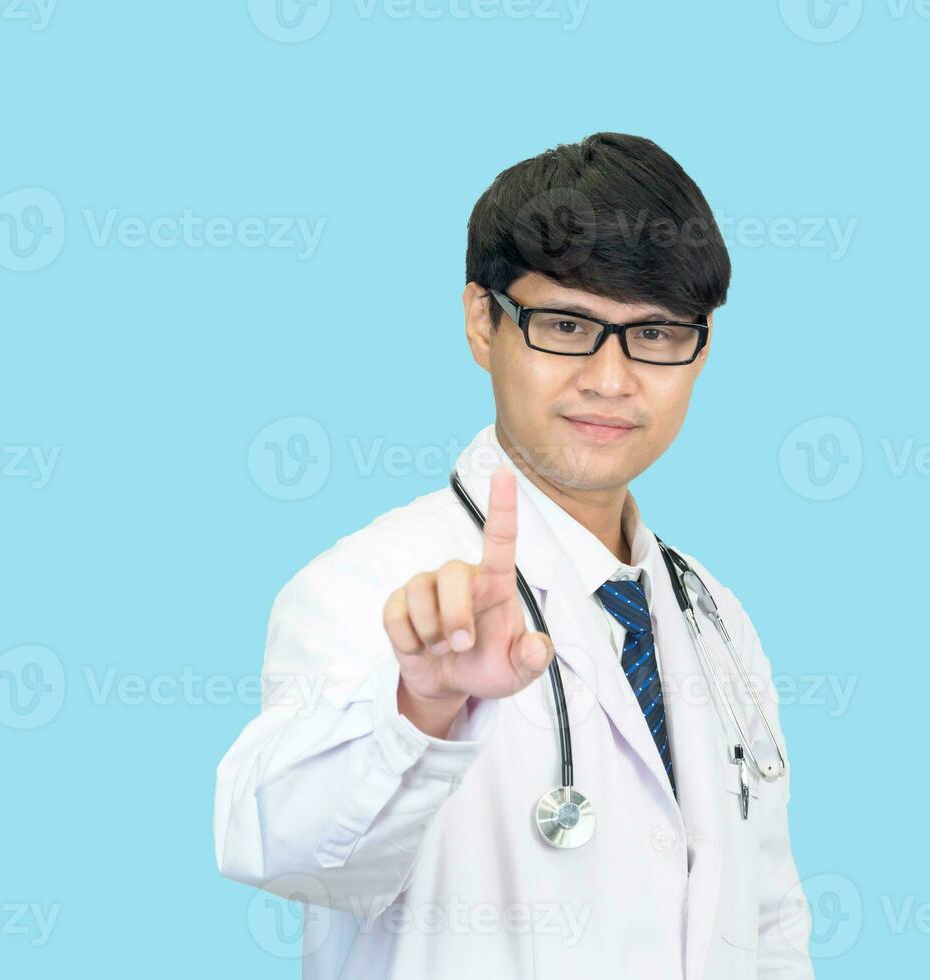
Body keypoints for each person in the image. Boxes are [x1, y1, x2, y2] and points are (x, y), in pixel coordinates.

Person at [214, 132, 815, 979]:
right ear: (481, 323)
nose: (611, 379)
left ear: (702, 345)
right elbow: (285, 852)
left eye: (653, 333)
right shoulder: (368, 587)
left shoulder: (715, 621)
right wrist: (418, 706)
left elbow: (768, 922)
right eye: (567, 325)